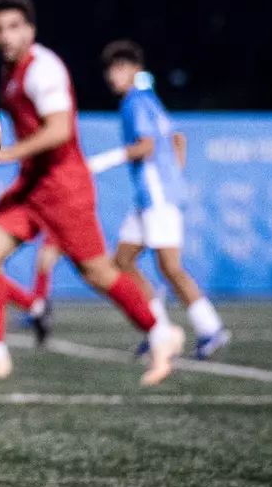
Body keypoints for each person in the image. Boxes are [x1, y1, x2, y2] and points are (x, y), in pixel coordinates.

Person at [0, 0, 181, 384]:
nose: (6, 36)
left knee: (98, 272)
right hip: (33, 186)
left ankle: (159, 332)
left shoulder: (43, 69)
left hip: (64, 186)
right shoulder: (8, 70)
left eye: (15, 26)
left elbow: (60, 130)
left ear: (31, 30)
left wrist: (9, 152)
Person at [89, 41, 229, 359]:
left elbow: (147, 146)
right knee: (122, 261)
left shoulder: (135, 102)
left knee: (170, 267)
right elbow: (178, 139)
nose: (114, 76)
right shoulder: (149, 99)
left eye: (120, 68)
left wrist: (100, 162)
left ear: (136, 70)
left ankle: (211, 328)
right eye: (110, 70)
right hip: (152, 197)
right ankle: (158, 329)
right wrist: (174, 176)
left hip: (158, 197)